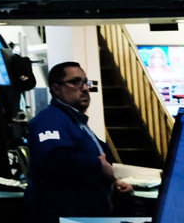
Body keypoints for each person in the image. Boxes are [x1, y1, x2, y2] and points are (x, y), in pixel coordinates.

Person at [25, 61, 133, 223]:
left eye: (85, 82)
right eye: (75, 82)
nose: (84, 88)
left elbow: (89, 164)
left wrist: (113, 183)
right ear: (56, 89)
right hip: (65, 216)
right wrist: (98, 166)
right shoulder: (50, 120)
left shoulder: (77, 122)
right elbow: (53, 160)